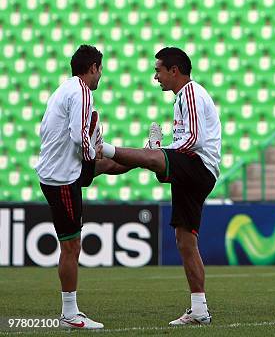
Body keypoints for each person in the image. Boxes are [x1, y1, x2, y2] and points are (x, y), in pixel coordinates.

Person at [99, 47, 221, 326]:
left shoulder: (190, 92)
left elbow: (195, 140)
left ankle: (102, 150)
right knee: (185, 240)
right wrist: (161, 152)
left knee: (152, 156)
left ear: (173, 70)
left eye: (158, 70)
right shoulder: (182, 98)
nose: (156, 77)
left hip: (198, 165)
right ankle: (199, 310)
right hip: (191, 169)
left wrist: (163, 151)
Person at [34, 45, 106, 329]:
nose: (101, 75)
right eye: (100, 69)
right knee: (71, 245)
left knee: (108, 164)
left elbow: (47, 129)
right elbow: (78, 136)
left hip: (59, 171)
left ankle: (147, 155)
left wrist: (90, 152)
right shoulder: (82, 92)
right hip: (61, 177)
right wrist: (91, 152)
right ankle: (69, 314)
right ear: (92, 68)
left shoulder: (63, 89)